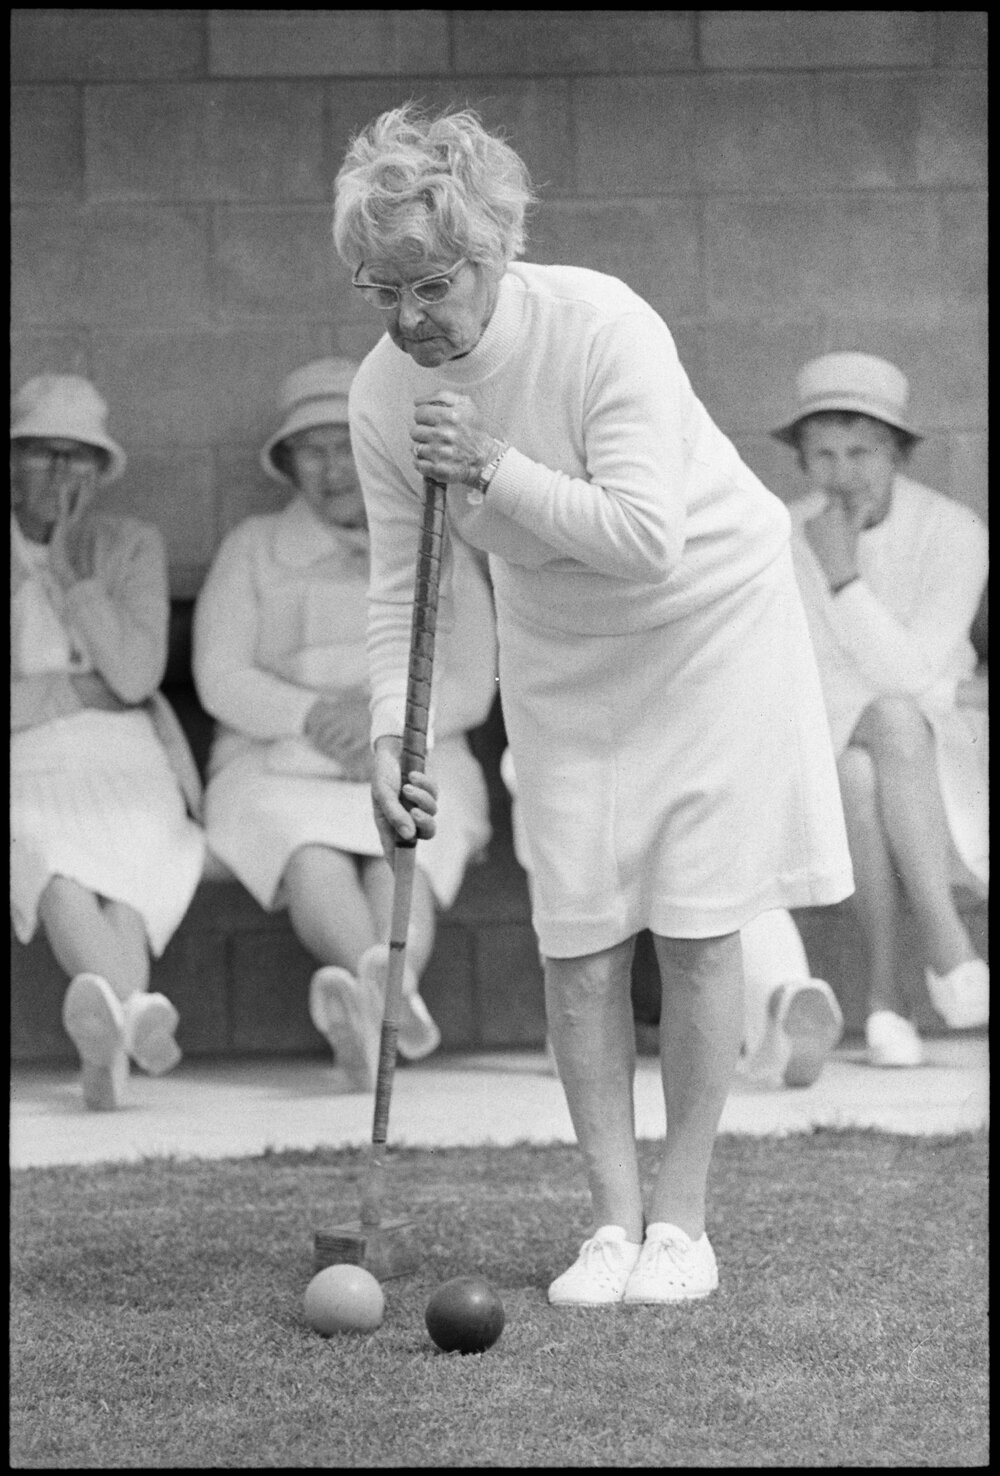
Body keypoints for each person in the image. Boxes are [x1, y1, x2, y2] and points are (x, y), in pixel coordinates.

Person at [332, 104, 854, 1306]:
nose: (407, 318)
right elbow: (403, 588)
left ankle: (681, 1224)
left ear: (495, 250)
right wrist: (393, 734)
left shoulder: (604, 325)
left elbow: (644, 536)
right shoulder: (379, 394)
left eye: (430, 285)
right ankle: (610, 1224)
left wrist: (490, 463)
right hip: (562, 643)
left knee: (696, 920)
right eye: (381, 290)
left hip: (707, 618)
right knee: (577, 932)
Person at [192, 358, 496, 1090]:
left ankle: (370, 1009)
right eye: (312, 451)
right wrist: (316, 716)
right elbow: (220, 674)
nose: (332, 469)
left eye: (346, 446)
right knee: (308, 847)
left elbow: (471, 682)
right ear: (287, 462)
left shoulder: (438, 540)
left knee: (407, 842)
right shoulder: (252, 546)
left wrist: (388, 726)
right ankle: (389, 1007)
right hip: (276, 755)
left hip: (415, 750)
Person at [774, 352, 989, 1067]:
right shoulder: (785, 534)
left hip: (943, 743)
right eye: (824, 454)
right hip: (828, 732)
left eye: (862, 451)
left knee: (873, 756)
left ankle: (886, 999)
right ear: (803, 459)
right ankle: (946, 947)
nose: (843, 474)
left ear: (897, 452)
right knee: (871, 746)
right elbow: (808, 672)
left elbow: (918, 672)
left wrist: (843, 576)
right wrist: (831, 568)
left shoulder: (955, 529)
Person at [10, 374, 204, 1110]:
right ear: (12, 461)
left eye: (81, 456)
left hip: (127, 750)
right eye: (44, 453)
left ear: (100, 472)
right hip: (26, 756)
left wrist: (70, 574)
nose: (63, 472)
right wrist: (67, 694)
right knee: (51, 858)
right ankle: (131, 1015)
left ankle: (109, 1051)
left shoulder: (128, 544)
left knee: (131, 860)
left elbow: (132, 677)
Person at [500, 749, 844, 1090]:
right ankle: (782, 988)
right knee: (726, 878)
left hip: (580, 768)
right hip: (694, 758)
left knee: (558, 812)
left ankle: (579, 1023)